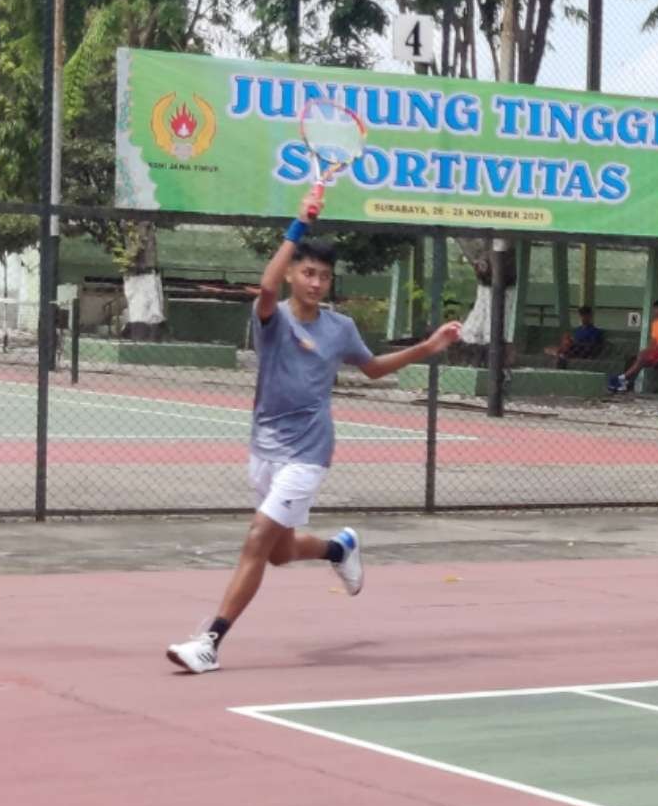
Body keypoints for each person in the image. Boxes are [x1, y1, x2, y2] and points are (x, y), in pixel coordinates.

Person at [166, 192, 462, 674]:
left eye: (324, 276)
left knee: (257, 538)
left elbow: (371, 369)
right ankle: (338, 547)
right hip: (264, 448)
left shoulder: (340, 328)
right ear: (291, 274)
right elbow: (263, 288)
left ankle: (210, 642)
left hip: (309, 452)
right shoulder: (273, 320)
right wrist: (297, 226)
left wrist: (426, 347)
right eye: (308, 273)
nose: (317, 282)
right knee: (279, 553)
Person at [609, 299, 658, 392]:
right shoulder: (655, 323)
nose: (655, 311)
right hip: (657, 351)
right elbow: (654, 340)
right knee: (637, 358)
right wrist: (648, 349)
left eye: (657, 309)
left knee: (641, 358)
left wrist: (651, 351)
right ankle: (625, 382)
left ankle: (622, 378)